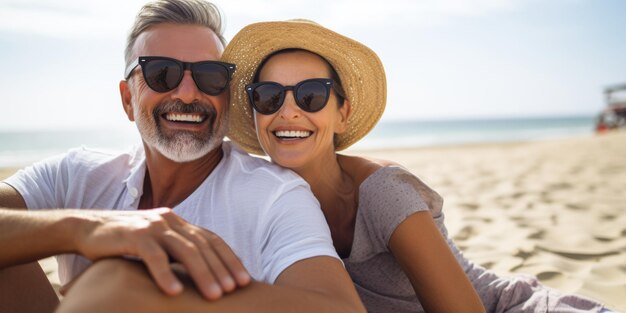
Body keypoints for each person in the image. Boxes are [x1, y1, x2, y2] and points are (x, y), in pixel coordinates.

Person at [222, 19, 613, 313]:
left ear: (343, 113)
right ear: (256, 114)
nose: (288, 111)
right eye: (269, 96)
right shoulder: (263, 197)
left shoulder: (382, 191)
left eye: (310, 95)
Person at [0, 2, 366, 313]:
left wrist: (146, 286)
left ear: (226, 96)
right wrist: (84, 230)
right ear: (128, 99)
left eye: (211, 76)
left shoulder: (275, 195)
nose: (189, 94)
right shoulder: (77, 174)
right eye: (162, 73)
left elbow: (341, 308)